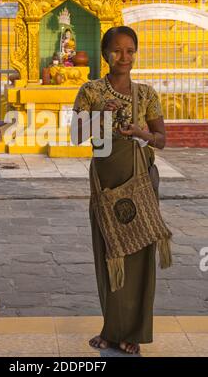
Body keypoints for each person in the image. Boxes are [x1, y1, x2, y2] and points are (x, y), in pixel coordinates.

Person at [71, 25, 166, 355]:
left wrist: (140, 131)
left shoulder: (147, 94)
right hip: (105, 185)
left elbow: (162, 140)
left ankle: (135, 334)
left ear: (135, 54)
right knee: (110, 254)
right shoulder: (91, 91)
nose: (123, 57)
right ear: (105, 54)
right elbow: (76, 136)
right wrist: (99, 115)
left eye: (130, 50)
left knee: (139, 256)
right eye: (116, 50)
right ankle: (111, 331)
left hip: (139, 183)